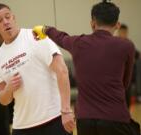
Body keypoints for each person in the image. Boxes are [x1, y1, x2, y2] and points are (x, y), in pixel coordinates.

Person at [33, 0, 141, 135]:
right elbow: (126, 83)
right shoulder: (127, 46)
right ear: (117, 25)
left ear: (92, 23)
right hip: (115, 117)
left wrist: (45, 29)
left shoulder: (78, 43)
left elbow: (60, 36)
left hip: (85, 119)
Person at [0, 3, 75, 135]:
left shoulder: (35, 36)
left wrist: (66, 110)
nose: (5, 22)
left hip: (54, 118)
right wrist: (9, 89)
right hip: (22, 126)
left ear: (14, 17)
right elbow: (3, 100)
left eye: (7, 17)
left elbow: (62, 70)